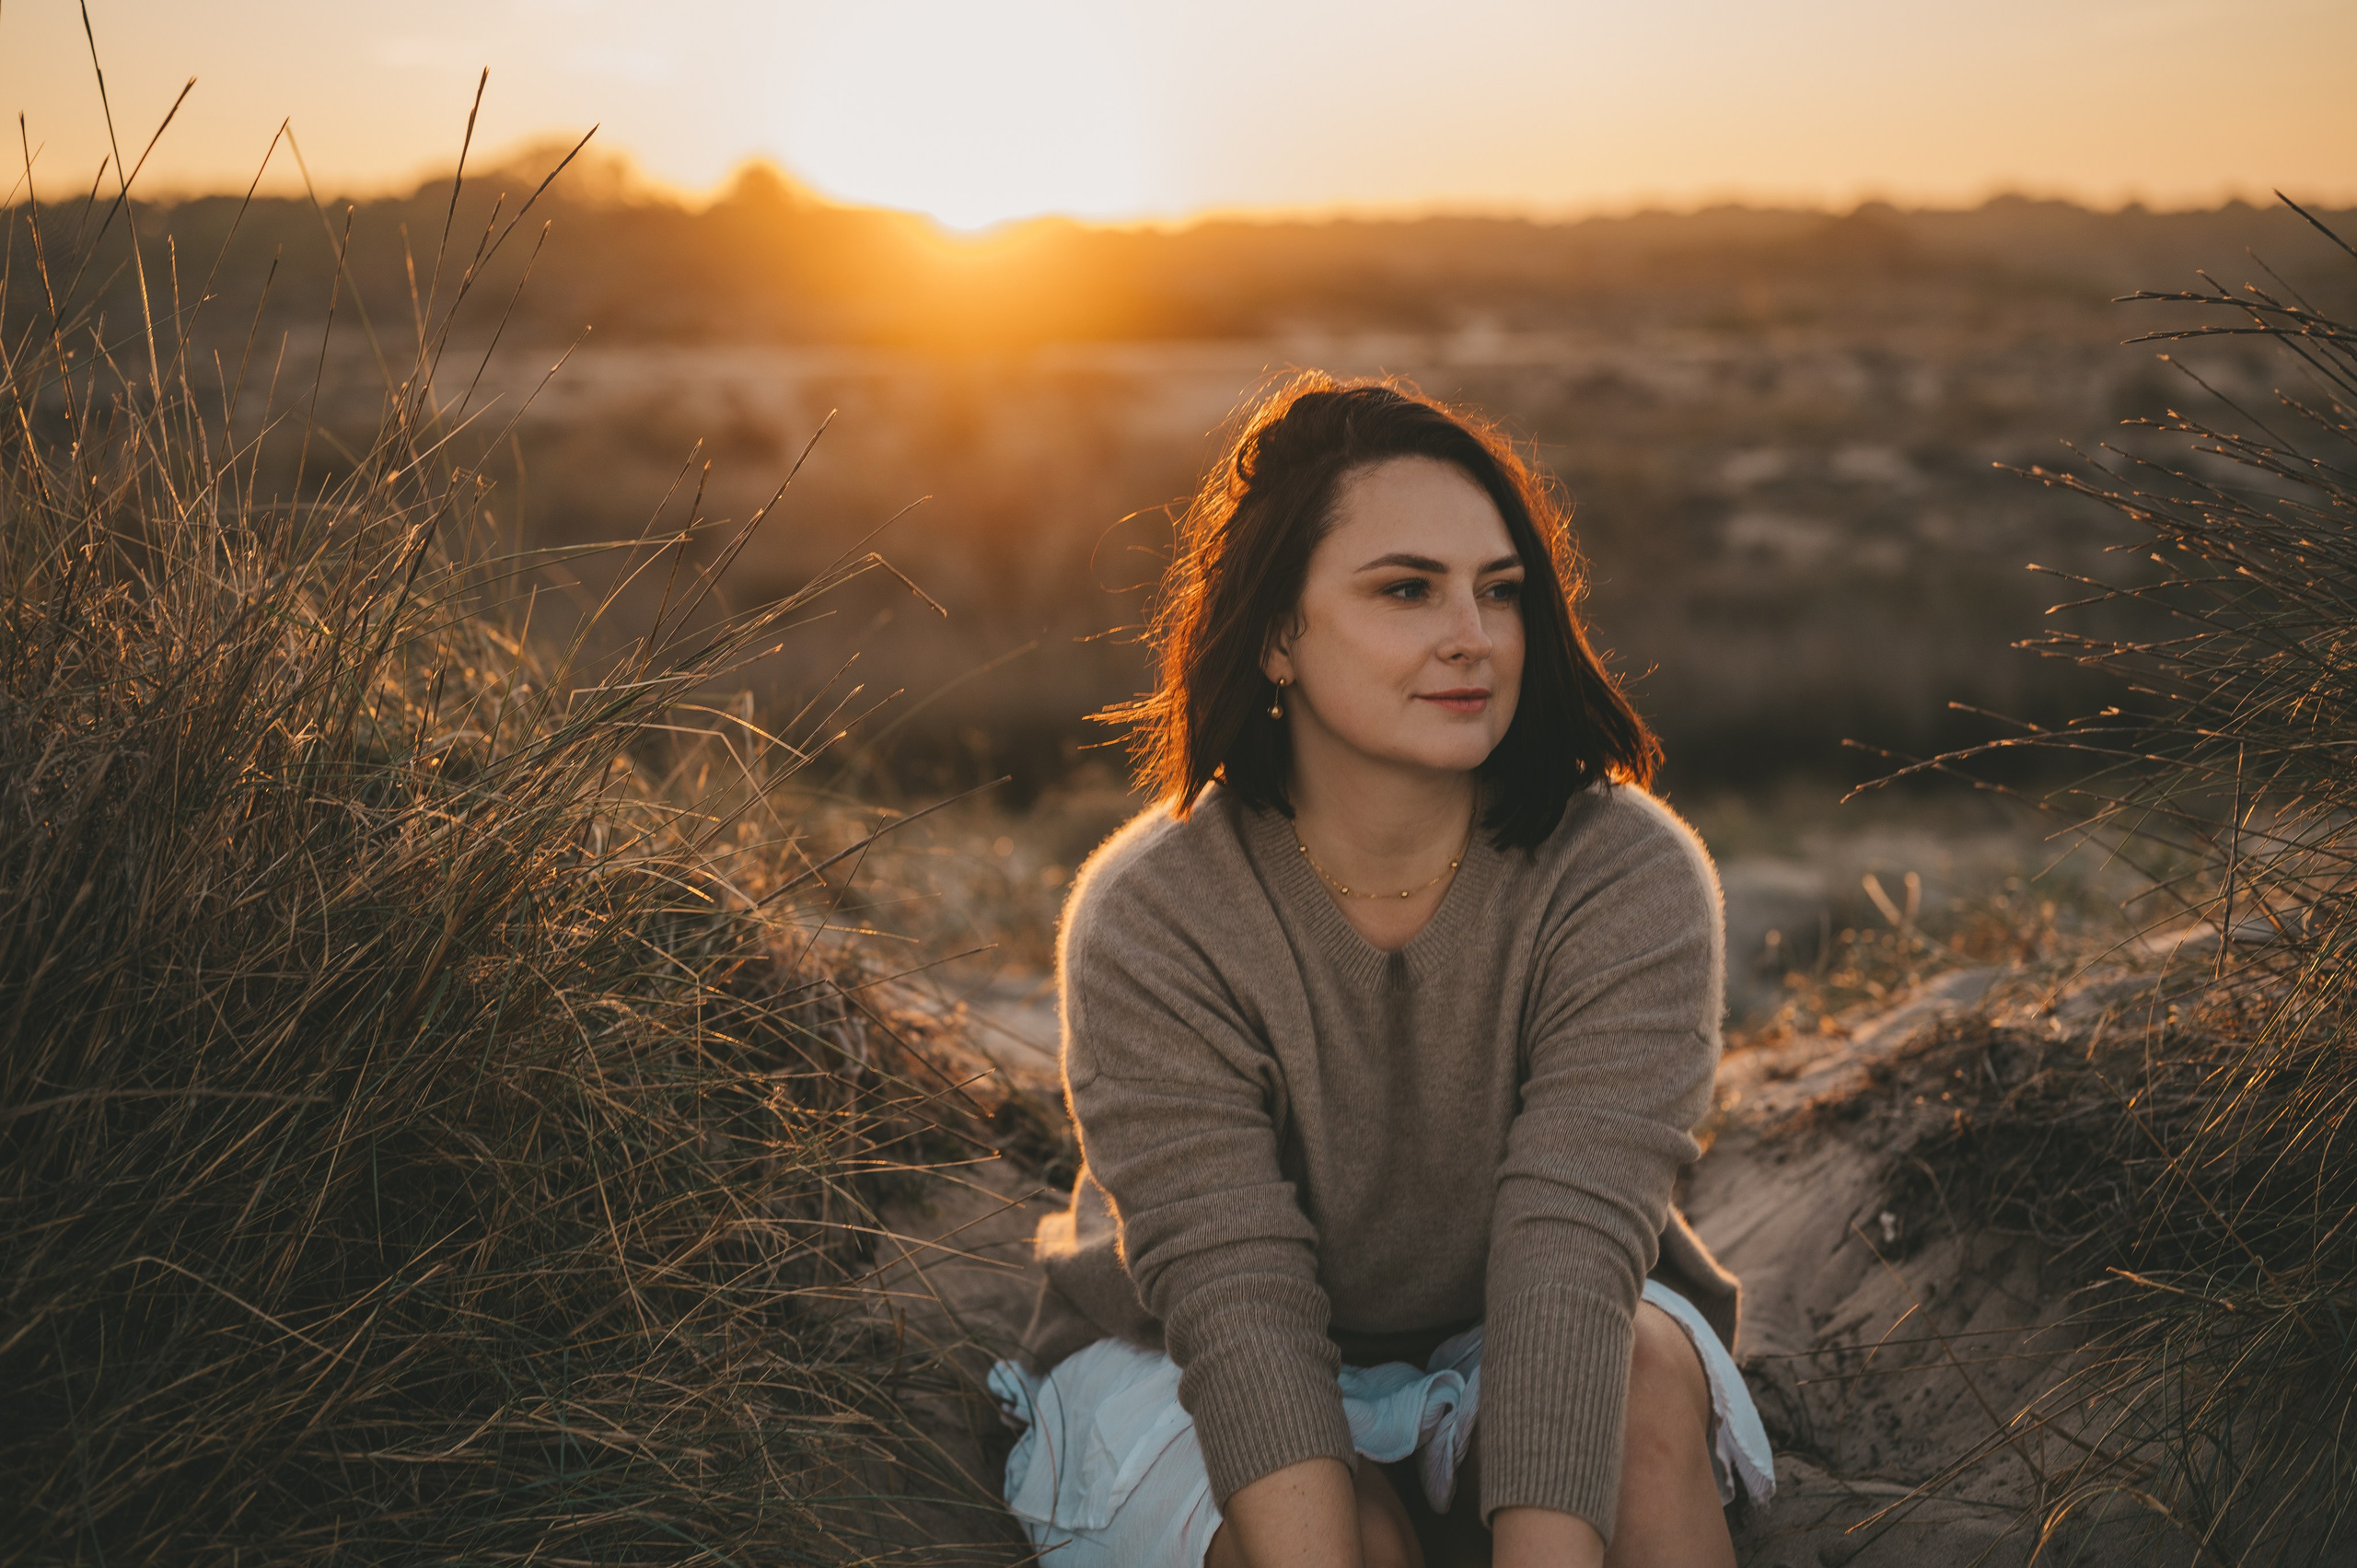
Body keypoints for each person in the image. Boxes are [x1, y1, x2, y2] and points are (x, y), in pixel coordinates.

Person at [988, 377, 1772, 1568]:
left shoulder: (1623, 873)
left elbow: (1569, 1254)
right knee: (1339, 1539)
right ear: (1277, 636)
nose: (1473, 636)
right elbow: (1236, 1300)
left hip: (1513, 1330)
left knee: (1641, 1391)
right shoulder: (1156, 915)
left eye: (1499, 590)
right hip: (1182, 1350)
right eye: (1407, 589)